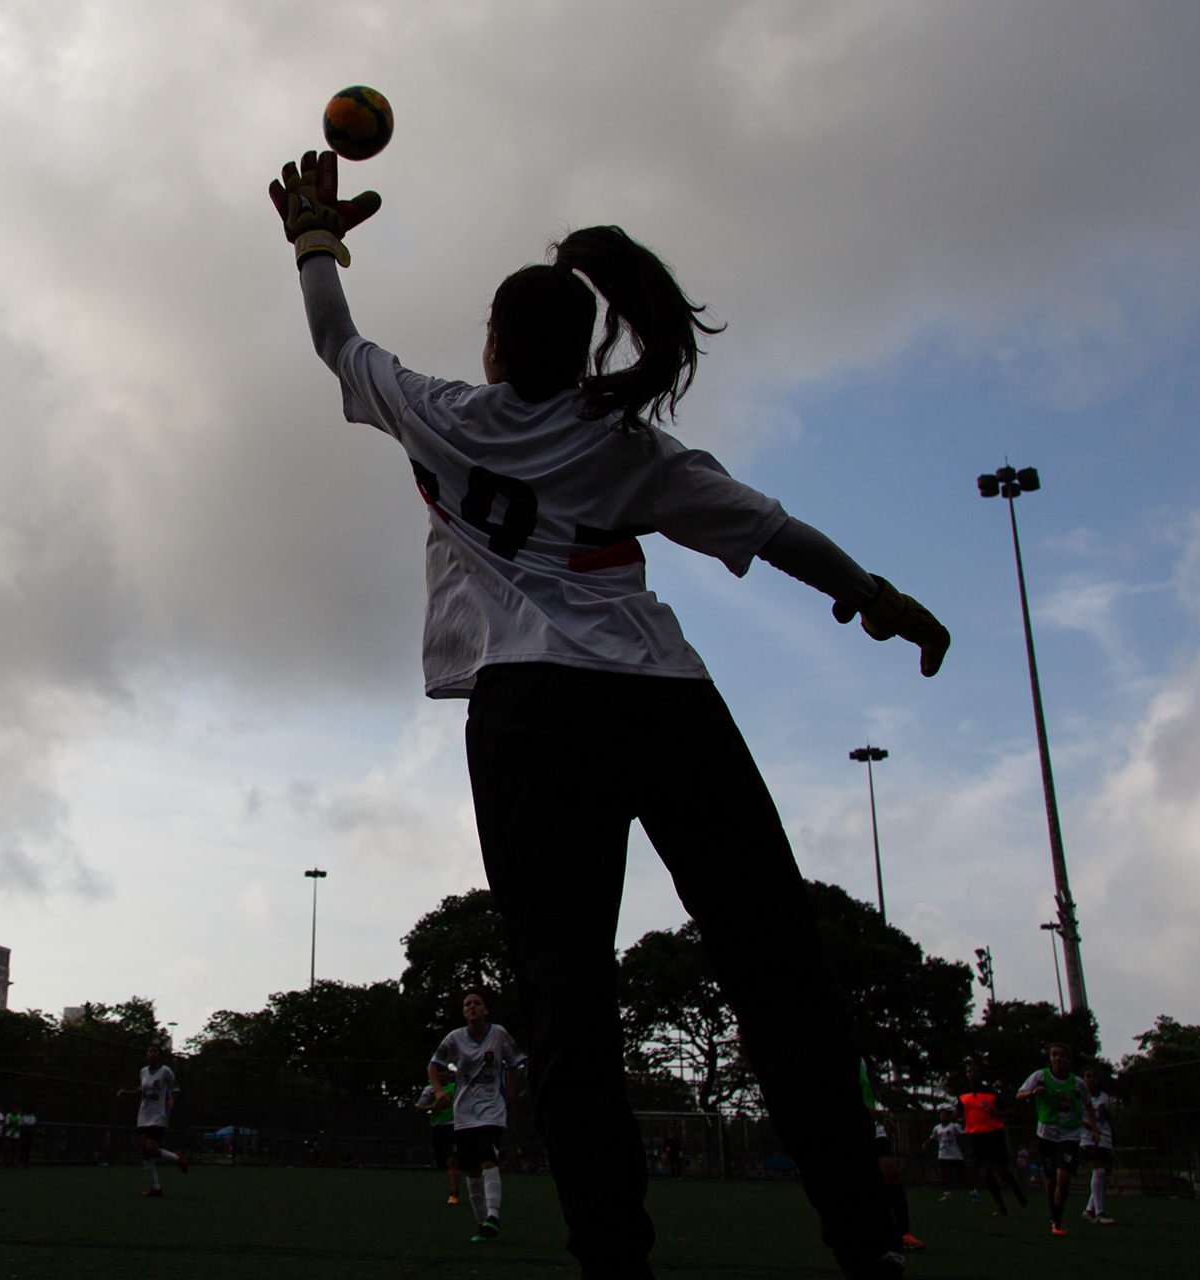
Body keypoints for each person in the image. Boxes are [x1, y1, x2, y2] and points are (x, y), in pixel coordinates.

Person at [271, 151, 949, 1280]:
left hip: (533, 712)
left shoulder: (438, 414)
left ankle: (613, 1257)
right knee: (779, 972)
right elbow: (772, 529)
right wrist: (873, 596)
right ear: (586, 348)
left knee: (567, 994)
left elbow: (336, 340)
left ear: (493, 344)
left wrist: (315, 242)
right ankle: (867, 1238)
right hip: (665, 701)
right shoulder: (629, 446)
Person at [429, 989, 526, 1243]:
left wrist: (510, 1096)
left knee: (488, 1160)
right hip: (464, 1113)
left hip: (491, 1110)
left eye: (477, 1003)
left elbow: (514, 1064)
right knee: (471, 1169)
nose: (472, 1007)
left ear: (486, 1009)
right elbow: (433, 1065)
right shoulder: (455, 1038)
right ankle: (483, 1224)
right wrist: (438, 1091)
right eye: (467, 1004)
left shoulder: (499, 1034)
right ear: (463, 1011)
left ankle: (493, 1216)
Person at [1017, 1042, 1098, 1236]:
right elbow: (1019, 1095)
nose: (1058, 1058)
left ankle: (1058, 1219)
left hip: (1069, 1134)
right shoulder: (1040, 1076)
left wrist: (1094, 1129)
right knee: (1050, 1179)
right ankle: (1055, 1216)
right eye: (1054, 1054)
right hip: (1047, 1134)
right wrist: (1032, 1093)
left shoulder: (1077, 1083)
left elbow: (1088, 1105)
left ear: (1069, 1059)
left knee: (1064, 1179)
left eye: (1062, 1055)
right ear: (1050, 1058)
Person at [860, 1062, 922, 1252]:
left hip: (872, 1124)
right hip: (847, 1123)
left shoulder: (860, 1060)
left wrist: (880, 1116)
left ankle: (904, 1234)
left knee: (890, 1173)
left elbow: (866, 1093)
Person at [117, 1043, 188, 1196]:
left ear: (160, 1056)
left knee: (151, 1149)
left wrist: (171, 1100)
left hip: (158, 1113)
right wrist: (127, 1093)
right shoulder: (143, 1071)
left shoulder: (165, 1071)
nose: (151, 1054)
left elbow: (175, 1088)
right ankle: (155, 1187)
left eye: (155, 1051)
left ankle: (176, 1159)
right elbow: (142, 1090)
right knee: (144, 1151)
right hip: (144, 1113)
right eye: (149, 1051)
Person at [958, 1063, 1028, 1216]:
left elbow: (1008, 1110)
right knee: (986, 1172)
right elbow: (959, 1112)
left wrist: (999, 1114)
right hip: (976, 1138)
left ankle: (1017, 1191)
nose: (972, 1074)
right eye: (969, 1071)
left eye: (975, 1071)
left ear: (981, 1074)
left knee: (1001, 1171)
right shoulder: (963, 1095)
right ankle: (1000, 1205)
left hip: (994, 1136)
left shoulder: (992, 1093)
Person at [416, 1065, 462, 1204]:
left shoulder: (456, 1088)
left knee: (453, 1161)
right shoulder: (430, 1090)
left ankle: (454, 1193)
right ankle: (451, 1172)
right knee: (442, 1162)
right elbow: (419, 1108)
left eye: (444, 1072)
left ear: (449, 1074)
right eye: (439, 1073)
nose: (442, 1075)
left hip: (453, 1127)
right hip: (438, 1128)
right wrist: (433, 1107)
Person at [1079, 1061, 1117, 1225]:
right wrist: (1085, 1124)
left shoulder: (1104, 1097)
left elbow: (1110, 1117)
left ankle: (1089, 1210)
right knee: (1099, 1172)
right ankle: (1099, 1212)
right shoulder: (1079, 1096)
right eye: (1088, 1076)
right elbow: (1073, 1115)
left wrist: (1105, 1112)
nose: (1091, 1079)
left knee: (1106, 1176)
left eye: (1094, 1076)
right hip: (1088, 1136)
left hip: (1105, 1136)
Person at [924, 1106, 969, 1202]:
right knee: (943, 1173)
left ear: (949, 1116)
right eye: (941, 1115)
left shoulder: (954, 1126)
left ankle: (973, 1192)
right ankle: (947, 1194)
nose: (943, 1117)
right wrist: (926, 1144)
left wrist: (959, 1135)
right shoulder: (937, 1127)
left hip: (955, 1153)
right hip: (943, 1153)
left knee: (963, 1173)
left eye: (945, 1115)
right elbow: (933, 1138)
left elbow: (965, 1134)